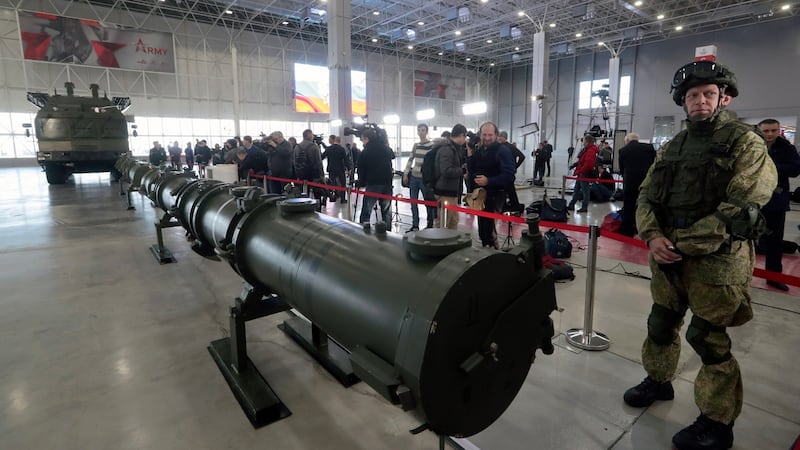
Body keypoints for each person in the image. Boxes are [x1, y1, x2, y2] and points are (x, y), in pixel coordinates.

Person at [624, 60, 777, 450]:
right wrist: (653, 236)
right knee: (661, 323)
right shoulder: (672, 146)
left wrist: (681, 243)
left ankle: (716, 421)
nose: (701, 100)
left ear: (723, 97)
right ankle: (658, 382)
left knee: (708, 338)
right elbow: (645, 195)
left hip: (716, 262)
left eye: (709, 93)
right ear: (683, 101)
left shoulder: (745, 142)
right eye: (693, 95)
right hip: (668, 257)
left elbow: (742, 206)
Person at [756, 119, 800, 291]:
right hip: (752, 198)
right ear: (760, 131)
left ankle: (773, 277)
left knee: (774, 242)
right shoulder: (751, 145)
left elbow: (796, 169)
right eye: (766, 131)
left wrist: (770, 166)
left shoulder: (785, 148)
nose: (769, 134)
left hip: (776, 200)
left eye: (773, 130)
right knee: (743, 239)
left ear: (778, 130)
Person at [466, 122, 515, 249]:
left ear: (496, 135)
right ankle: (486, 254)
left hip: (496, 196)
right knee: (483, 231)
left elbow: (509, 176)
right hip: (481, 196)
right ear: (480, 135)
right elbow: (471, 170)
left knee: (490, 232)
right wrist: (470, 154)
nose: (487, 138)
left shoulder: (503, 150)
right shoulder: (479, 150)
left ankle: (494, 257)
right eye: (484, 134)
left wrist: (489, 181)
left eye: (490, 135)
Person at [617, 132, 657, 236]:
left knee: (628, 207)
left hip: (630, 183)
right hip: (645, 183)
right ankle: (644, 229)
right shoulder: (649, 148)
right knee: (644, 207)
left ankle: (628, 231)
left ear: (627, 141)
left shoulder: (623, 150)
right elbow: (655, 165)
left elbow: (621, 169)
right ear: (637, 140)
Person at [432, 124, 468, 229]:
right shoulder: (447, 149)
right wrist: (462, 170)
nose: (465, 140)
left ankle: (450, 243)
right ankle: (441, 242)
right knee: (443, 223)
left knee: (453, 221)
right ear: (461, 135)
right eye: (465, 137)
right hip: (444, 191)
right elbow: (446, 171)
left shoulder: (454, 148)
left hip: (450, 191)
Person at [402, 123, 436, 230]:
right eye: (419, 130)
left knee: (427, 202)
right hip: (414, 177)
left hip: (424, 178)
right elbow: (410, 160)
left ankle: (429, 224)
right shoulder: (416, 145)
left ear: (426, 132)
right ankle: (415, 224)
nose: (420, 132)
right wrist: (406, 173)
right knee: (413, 202)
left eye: (423, 130)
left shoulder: (431, 145)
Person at [357, 128, 393, 227]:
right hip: (387, 182)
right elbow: (392, 156)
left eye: (362, 139)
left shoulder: (366, 151)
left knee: (366, 211)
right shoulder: (385, 147)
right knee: (386, 211)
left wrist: (361, 182)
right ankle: (388, 233)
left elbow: (361, 169)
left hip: (373, 183)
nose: (362, 142)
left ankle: (363, 232)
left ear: (367, 138)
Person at [567, 135, 599, 213]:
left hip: (584, 173)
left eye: (584, 140)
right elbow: (582, 160)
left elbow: (588, 164)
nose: (582, 141)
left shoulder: (591, 150)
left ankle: (584, 207)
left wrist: (580, 171)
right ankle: (571, 205)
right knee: (576, 189)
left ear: (587, 141)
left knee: (585, 191)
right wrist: (574, 165)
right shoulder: (587, 149)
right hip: (581, 173)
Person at [497, 131, 525, 213]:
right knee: (507, 190)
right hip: (502, 172)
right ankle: (509, 206)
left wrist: (515, 166)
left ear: (504, 137)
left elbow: (522, 156)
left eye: (500, 137)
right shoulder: (500, 146)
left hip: (508, 172)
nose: (499, 138)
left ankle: (513, 206)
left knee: (510, 190)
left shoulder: (510, 147)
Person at [321, 135, 351, 203]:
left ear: (333, 140)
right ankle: (343, 199)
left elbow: (321, 157)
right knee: (343, 184)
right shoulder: (341, 149)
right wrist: (349, 168)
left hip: (331, 169)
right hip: (340, 168)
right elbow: (345, 160)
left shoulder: (329, 149)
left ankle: (332, 196)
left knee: (331, 183)